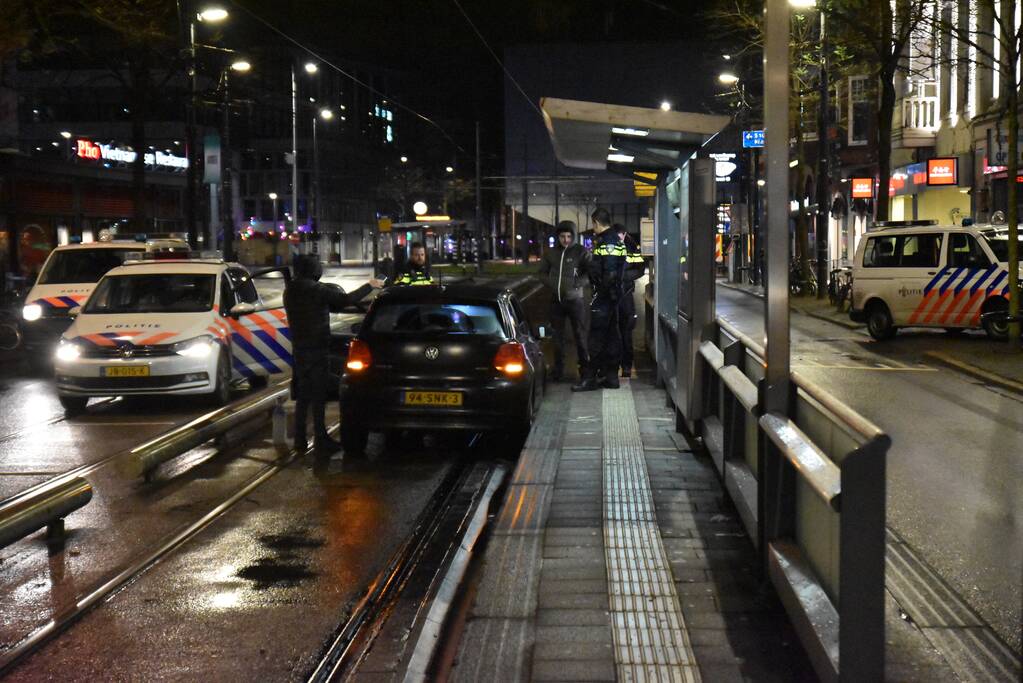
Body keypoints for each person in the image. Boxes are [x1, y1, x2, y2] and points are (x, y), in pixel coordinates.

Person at [285, 254, 384, 454]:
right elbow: (345, 300)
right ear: (313, 268)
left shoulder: (290, 290)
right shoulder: (316, 290)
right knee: (319, 395)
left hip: (300, 350)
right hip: (317, 348)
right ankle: (321, 438)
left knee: (304, 396)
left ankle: (300, 440)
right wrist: (370, 285)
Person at [573, 208, 626, 392]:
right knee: (611, 336)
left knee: (594, 337)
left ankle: (589, 378)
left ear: (596, 222)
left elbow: (610, 274)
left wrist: (598, 295)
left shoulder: (608, 242)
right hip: (612, 297)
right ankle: (611, 377)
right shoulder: (613, 240)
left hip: (605, 297)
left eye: (593, 224)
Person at [538, 221, 590, 381]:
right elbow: (541, 273)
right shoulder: (551, 253)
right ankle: (558, 371)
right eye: (562, 236)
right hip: (557, 301)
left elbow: (589, 273)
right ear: (558, 236)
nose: (566, 240)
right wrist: (553, 285)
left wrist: (576, 284)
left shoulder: (581, 252)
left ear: (573, 236)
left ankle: (585, 371)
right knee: (557, 338)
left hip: (575, 301)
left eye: (569, 236)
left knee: (580, 337)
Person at [616, 225, 646, 378]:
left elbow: (640, 269)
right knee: (613, 334)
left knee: (626, 333)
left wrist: (626, 277)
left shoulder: (631, 248)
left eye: (620, 235)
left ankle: (626, 366)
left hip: (626, 295)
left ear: (625, 234)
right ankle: (613, 366)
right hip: (611, 297)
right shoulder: (607, 248)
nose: (618, 238)